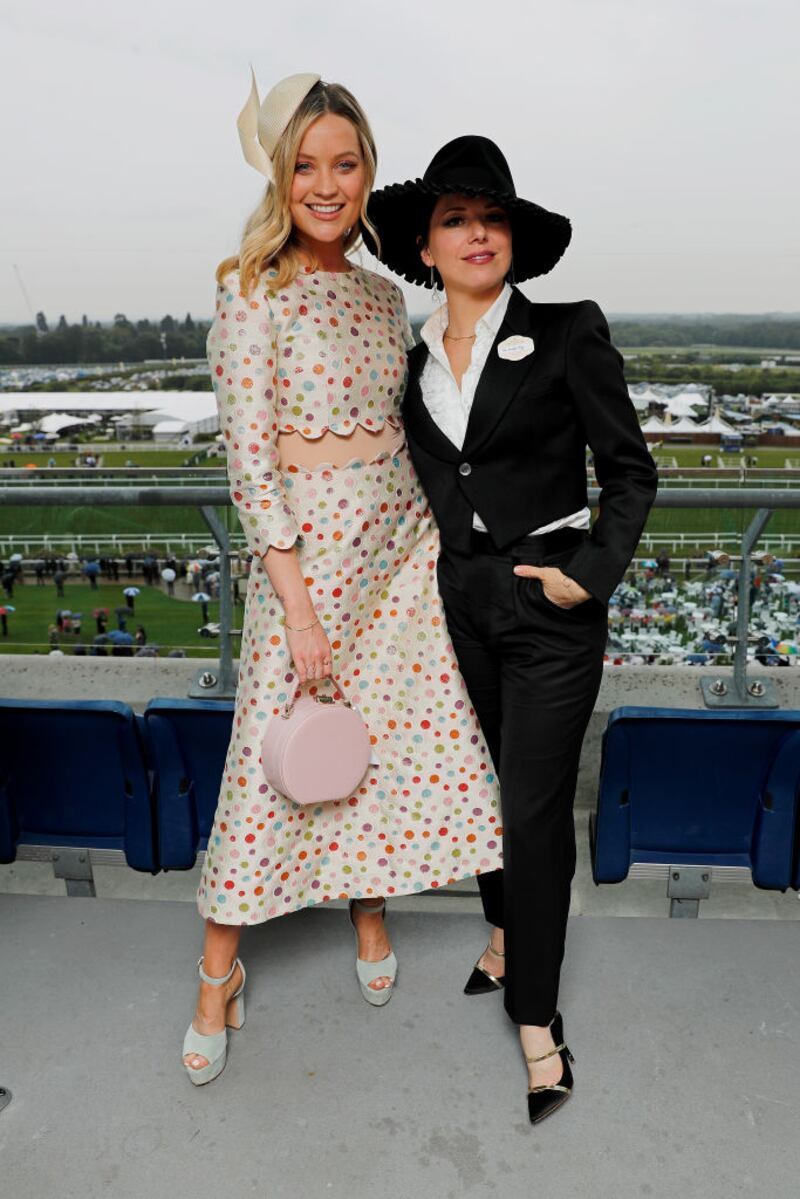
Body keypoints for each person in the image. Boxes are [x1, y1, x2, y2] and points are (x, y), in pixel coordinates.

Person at [184, 73, 502, 1086]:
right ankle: (215, 976)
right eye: (306, 164)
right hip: (305, 571)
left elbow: (415, 437)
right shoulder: (247, 285)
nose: (327, 183)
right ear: (281, 175)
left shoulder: (383, 296)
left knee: (378, 753)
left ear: (368, 171)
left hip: (398, 558)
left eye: (346, 162)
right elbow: (249, 460)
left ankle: (368, 906)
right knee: (263, 765)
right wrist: (295, 601)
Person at [368, 136, 658, 1123]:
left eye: (490, 218)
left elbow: (630, 472)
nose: (475, 233)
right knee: (480, 793)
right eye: (454, 218)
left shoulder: (568, 330)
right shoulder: (403, 360)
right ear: (425, 242)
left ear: (511, 239)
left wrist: (588, 576)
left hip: (546, 606)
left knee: (531, 809)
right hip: (454, 607)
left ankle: (535, 1017)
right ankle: (501, 933)